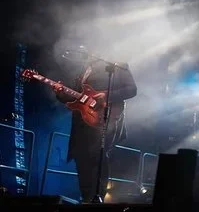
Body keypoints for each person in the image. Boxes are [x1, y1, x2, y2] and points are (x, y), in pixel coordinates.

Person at [53, 57, 137, 203]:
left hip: (104, 121)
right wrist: (61, 93)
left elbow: (131, 89)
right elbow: (75, 97)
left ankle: (97, 200)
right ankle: (86, 199)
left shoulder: (118, 64)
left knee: (98, 157)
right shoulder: (84, 68)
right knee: (81, 159)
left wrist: (106, 96)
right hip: (82, 123)